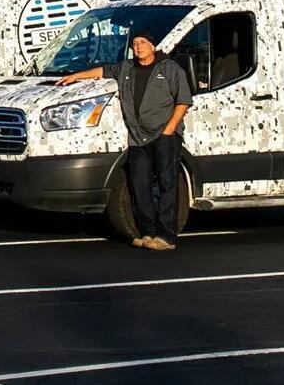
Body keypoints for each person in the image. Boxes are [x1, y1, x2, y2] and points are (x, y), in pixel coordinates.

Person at [58, 33, 192, 250]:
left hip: (164, 136)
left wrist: (169, 130)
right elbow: (102, 71)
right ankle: (147, 233)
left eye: (142, 43)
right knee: (139, 184)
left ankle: (166, 236)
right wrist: (76, 76)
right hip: (138, 137)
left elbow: (183, 101)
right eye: (135, 44)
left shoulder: (169, 68)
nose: (137, 47)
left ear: (152, 46)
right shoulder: (126, 68)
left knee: (168, 184)